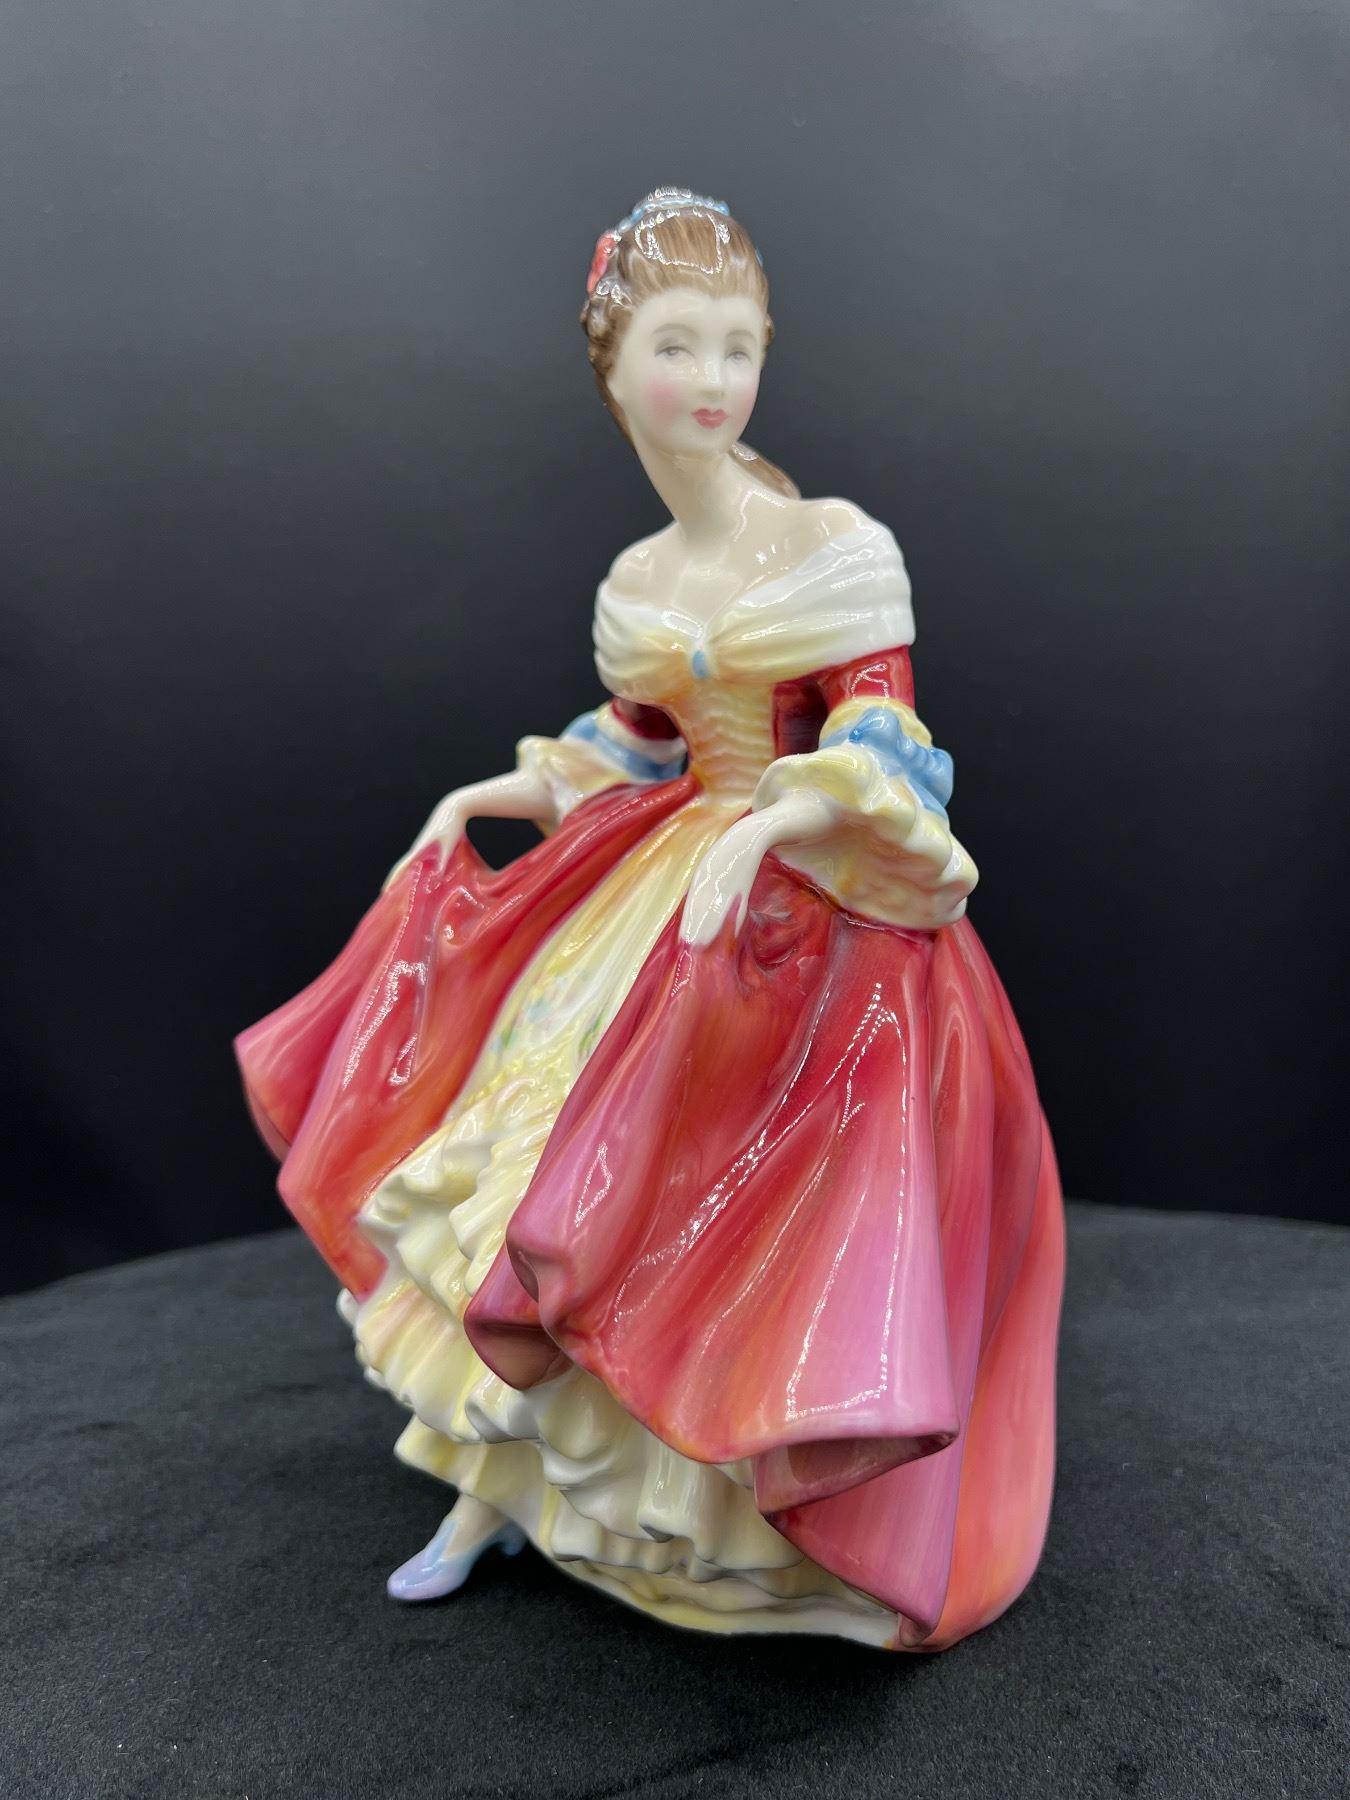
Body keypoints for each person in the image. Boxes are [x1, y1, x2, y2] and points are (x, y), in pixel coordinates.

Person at [235, 188, 1066, 1652]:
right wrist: (492, 792)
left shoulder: (833, 547)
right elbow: (630, 742)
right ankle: (499, 1485)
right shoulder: (637, 579)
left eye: (738, 346)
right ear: (614, 371)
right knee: (525, 1171)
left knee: (719, 1213)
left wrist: (775, 824)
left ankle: (752, 1534)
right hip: (655, 888)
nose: (713, 378)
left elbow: (887, 741)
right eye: (677, 345)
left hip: (812, 912)